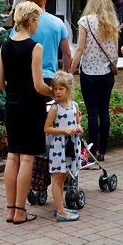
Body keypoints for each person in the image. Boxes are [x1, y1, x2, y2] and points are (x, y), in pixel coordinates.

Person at [0, 1, 54, 225]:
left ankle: (10, 209)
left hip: (12, 106)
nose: (38, 24)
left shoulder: (5, 45)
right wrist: (55, 93)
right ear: (30, 20)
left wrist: (14, 91)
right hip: (31, 108)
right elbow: (39, 85)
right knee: (27, 158)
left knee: (12, 156)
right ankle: (20, 211)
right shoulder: (34, 47)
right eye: (37, 19)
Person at [69, 0, 119, 161]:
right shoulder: (112, 21)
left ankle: (92, 150)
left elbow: (80, 48)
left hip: (89, 72)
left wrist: (71, 69)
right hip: (106, 73)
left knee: (92, 112)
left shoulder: (85, 21)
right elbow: (115, 53)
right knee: (104, 111)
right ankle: (103, 151)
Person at [43, 72, 83, 222]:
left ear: (68, 89)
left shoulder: (74, 105)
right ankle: (60, 210)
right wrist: (63, 130)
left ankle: (61, 206)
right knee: (57, 178)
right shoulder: (55, 108)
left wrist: (79, 128)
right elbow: (47, 128)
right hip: (59, 147)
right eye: (55, 89)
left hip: (71, 146)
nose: (57, 92)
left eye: (61, 89)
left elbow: (77, 122)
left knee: (64, 175)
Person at [16, 0, 72, 86]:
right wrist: (65, 75)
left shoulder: (21, 24)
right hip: (49, 77)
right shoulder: (58, 23)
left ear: (28, 3)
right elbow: (67, 53)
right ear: (45, 1)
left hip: (25, 76)